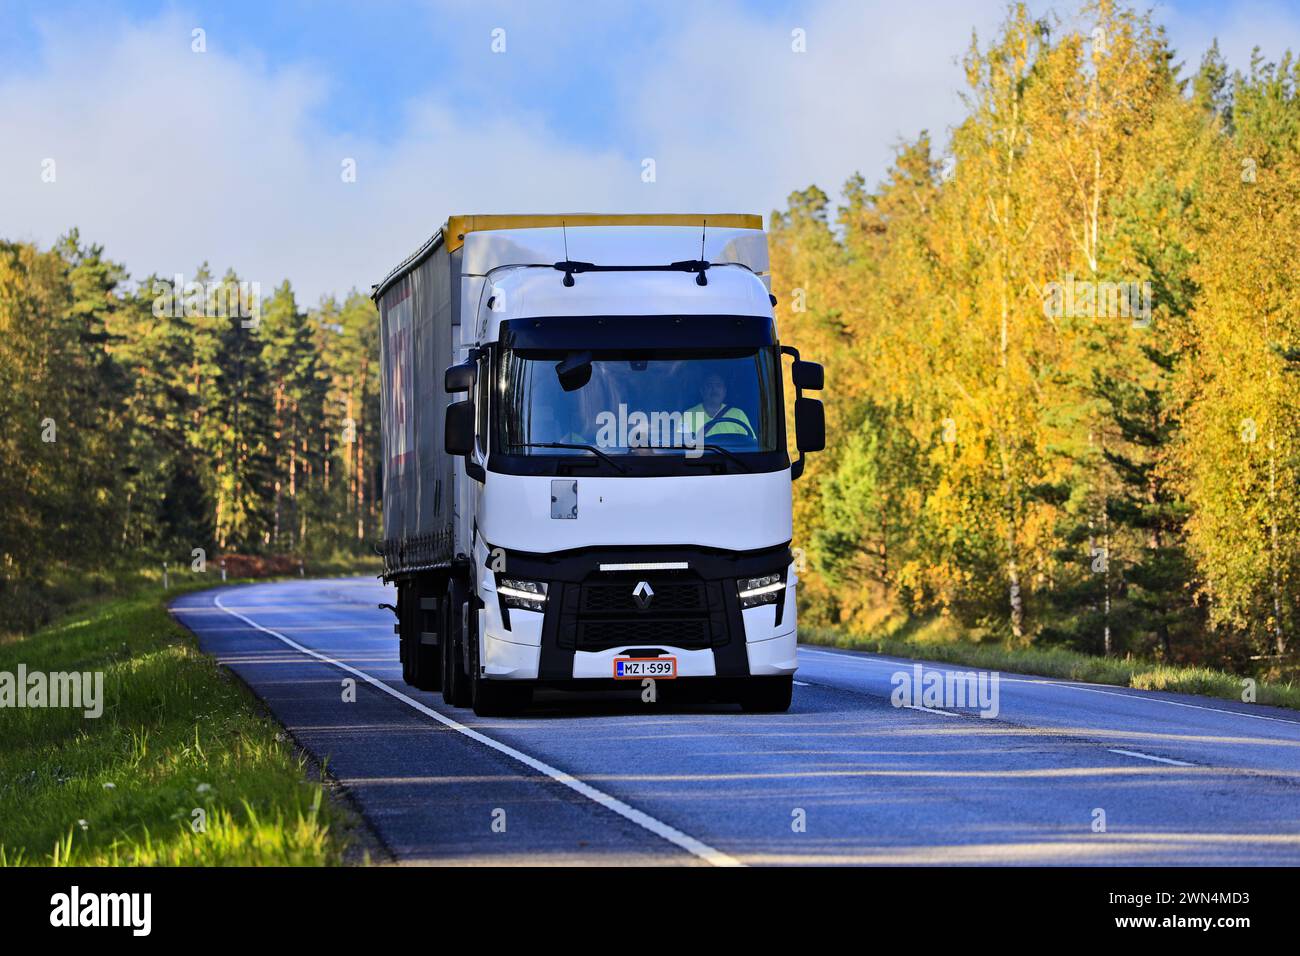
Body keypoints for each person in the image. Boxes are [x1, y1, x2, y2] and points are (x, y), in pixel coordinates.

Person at [683, 372, 752, 441]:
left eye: (718, 385)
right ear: (702, 391)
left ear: (725, 391)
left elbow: (750, 444)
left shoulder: (738, 414)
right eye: (709, 385)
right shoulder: (688, 416)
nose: (714, 389)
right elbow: (680, 446)